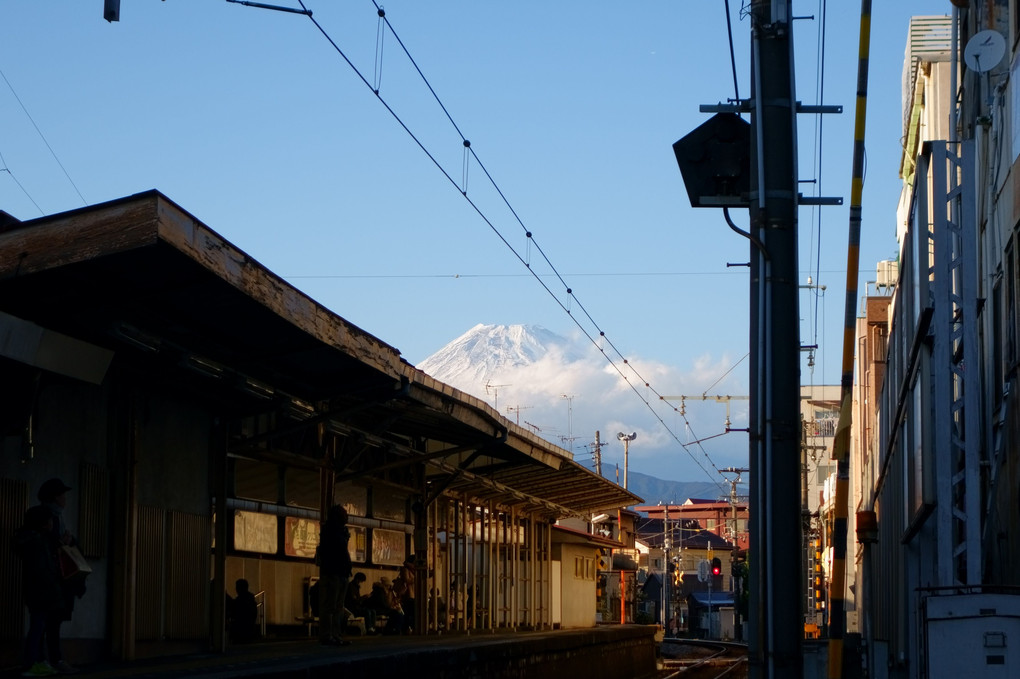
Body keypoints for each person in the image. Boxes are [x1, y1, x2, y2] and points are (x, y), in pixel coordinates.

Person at [36, 478, 83, 675]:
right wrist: (63, 542)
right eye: (62, 495)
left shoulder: (55, 517)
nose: (65, 499)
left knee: (47, 621)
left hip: (51, 578)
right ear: (55, 497)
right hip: (50, 579)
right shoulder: (49, 518)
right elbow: (46, 547)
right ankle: (47, 660)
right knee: (48, 621)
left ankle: (47, 660)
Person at [13, 505, 63, 677]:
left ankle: (34, 662)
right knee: (38, 627)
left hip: (33, 591)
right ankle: (31, 664)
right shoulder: (39, 543)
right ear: (43, 524)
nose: (52, 523)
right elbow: (44, 570)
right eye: (49, 521)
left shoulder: (28, 541)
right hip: (42, 592)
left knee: (37, 626)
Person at [315, 505, 353, 646]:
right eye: (344, 514)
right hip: (334, 572)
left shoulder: (335, 531)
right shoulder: (332, 531)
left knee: (336, 606)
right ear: (338, 516)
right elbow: (338, 550)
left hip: (338, 572)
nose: (347, 516)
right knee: (331, 606)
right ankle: (329, 635)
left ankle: (334, 635)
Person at [226, 578, 258, 643]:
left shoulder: (241, 601)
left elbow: (235, 610)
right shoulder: (250, 600)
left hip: (241, 631)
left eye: (237, 587)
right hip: (248, 631)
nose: (236, 589)